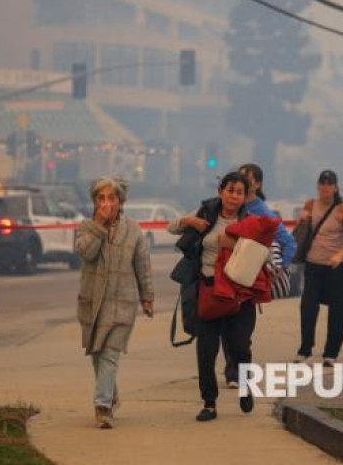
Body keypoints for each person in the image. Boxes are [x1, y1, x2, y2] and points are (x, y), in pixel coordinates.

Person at [168, 172, 257, 422]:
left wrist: (235, 244)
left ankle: (245, 385)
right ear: (220, 191)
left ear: (245, 197)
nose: (233, 196)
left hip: (239, 296)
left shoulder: (251, 223)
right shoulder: (205, 213)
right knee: (206, 351)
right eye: (230, 190)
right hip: (208, 292)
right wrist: (189, 221)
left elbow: (265, 255)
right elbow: (171, 228)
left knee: (240, 347)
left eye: (239, 192)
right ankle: (209, 403)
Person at [75, 177, 154, 429]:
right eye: (101, 198)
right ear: (94, 202)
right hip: (92, 303)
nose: (106, 203)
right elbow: (85, 252)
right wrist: (98, 225)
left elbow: (143, 265)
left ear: (121, 202)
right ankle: (111, 395)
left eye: (112, 198)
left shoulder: (133, 230)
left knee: (110, 355)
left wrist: (147, 297)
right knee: (97, 354)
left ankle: (102, 408)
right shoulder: (87, 227)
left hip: (122, 303)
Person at [214, 163, 297, 388]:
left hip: (245, 280)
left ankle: (238, 371)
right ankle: (233, 371)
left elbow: (288, 242)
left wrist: (279, 269)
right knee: (225, 326)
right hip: (223, 277)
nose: (239, 182)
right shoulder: (222, 209)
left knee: (240, 331)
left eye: (246, 179)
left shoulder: (260, 212)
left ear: (257, 184)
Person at [295, 170, 343, 367]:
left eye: (329, 183)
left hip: (336, 267)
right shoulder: (310, 205)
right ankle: (306, 349)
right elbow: (302, 233)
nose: (325, 187)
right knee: (308, 307)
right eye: (322, 183)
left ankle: (331, 353)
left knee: (338, 310)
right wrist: (303, 221)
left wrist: (340, 254)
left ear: (335, 187)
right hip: (314, 265)